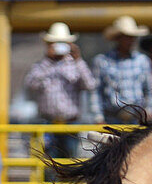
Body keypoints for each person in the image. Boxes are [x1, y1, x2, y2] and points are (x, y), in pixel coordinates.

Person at [24, 22, 100, 160]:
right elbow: (30, 85)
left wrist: (78, 59)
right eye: (55, 43)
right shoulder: (41, 66)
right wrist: (47, 60)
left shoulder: (76, 65)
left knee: (70, 161)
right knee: (47, 162)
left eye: (62, 43)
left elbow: (90, 85)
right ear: (49, 45)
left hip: (71, 123)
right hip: (47, 123)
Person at [90, 15, 152, 123]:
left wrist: (149, 111)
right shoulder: (102, 61)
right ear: (118, 38)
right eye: (127, 37)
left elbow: (150, 89)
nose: (131, 40)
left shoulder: (142, 61)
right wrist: (98, 117)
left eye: (133, 37)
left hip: (136, 117)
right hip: (111, 117)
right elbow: (96, 91)